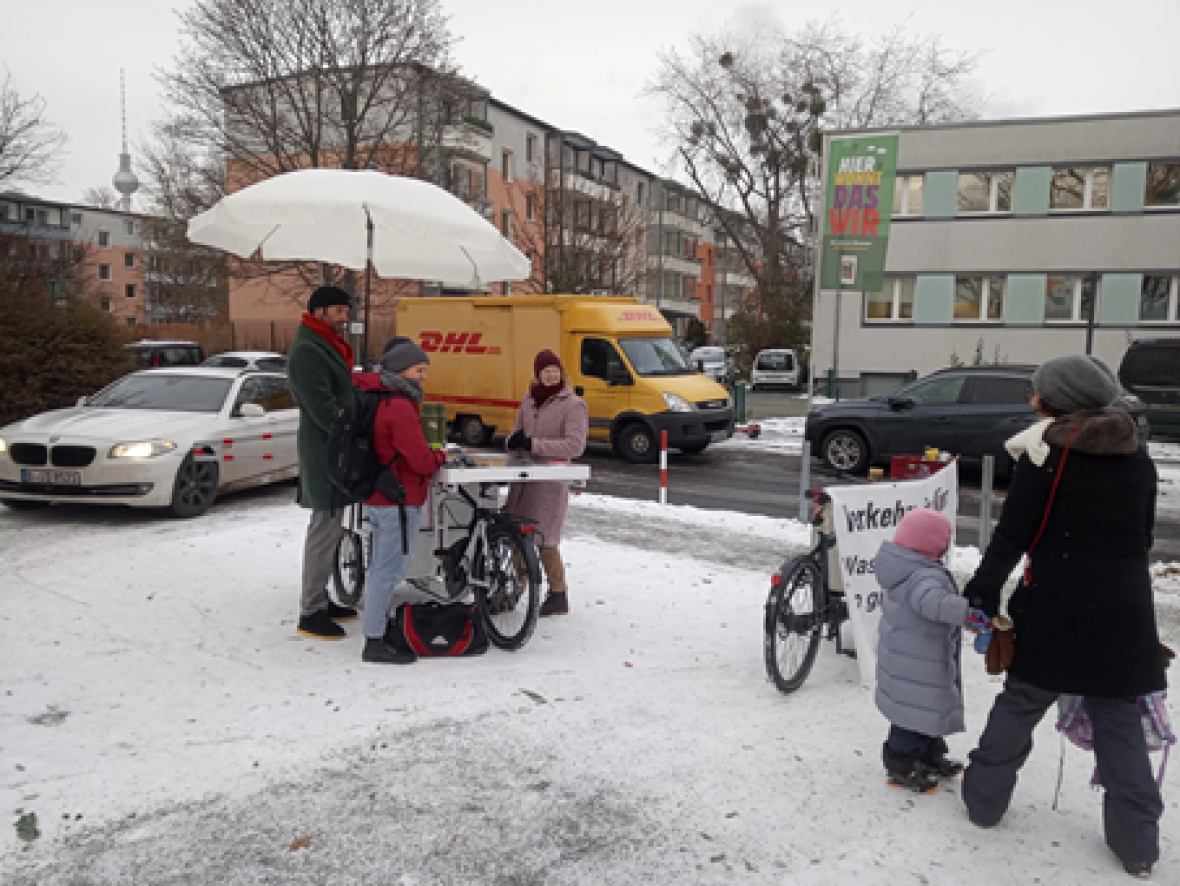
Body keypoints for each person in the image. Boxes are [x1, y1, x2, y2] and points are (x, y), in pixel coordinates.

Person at [961, 354, 1166, 880]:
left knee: (1022, 701)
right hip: (1124, 612)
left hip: (1055, 605)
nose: (1033, 399)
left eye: (1037, 393)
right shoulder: (1137, 456)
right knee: (1118, 721)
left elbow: (1014, 537)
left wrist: (983, 592)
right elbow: (1142, 538)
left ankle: (983, 804)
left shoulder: (1047, 457)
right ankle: (1138, 845)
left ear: (1054, 402)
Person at [354, 336, 448, 664]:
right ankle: (374, 639)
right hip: (397, 497)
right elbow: (419, 459)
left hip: (385, 495)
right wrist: (438, 457)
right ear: (400, 371)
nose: (424, 376)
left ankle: (377, 628)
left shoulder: (383, 399)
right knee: (388, 567)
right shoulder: (400, 407)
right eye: (419, 370)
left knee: (386, 564)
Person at [874, 507, 975, 793]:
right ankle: (901, 765)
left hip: (912, 661)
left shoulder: (905, 567)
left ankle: (929, 755)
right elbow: (933, 603)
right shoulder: (923, 576)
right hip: (917, 665)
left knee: (925, 712)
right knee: (911, 719)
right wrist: (965, 612)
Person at [287, 285, 357, 640]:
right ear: (319, 311)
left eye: (346, 311)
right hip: (325, 450)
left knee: (330, 529)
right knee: (324, 528)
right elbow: (321, 407)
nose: (345, 318)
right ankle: (310, 610)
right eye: (339, 311)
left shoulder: (326, 344)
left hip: (336, 449)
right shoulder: (307, 350)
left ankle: (322, 598)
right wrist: (354, 431)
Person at [504, 349, 589, 617]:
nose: (551, 376)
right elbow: (515, 435)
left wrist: (534, 444)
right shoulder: (528, 401)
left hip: (550, 483)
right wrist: (513, 443)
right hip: (525, 481)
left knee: (545, 539)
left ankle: (557, 594)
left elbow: (575, 446)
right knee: (520, 536)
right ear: (538, 375)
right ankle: (514, 590)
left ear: (561, 373)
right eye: (545, 371)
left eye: (555, 370)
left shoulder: (573, 404)